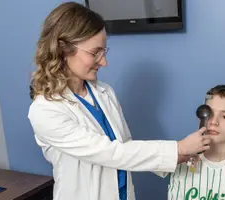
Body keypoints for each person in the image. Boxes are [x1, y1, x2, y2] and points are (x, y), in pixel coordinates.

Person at [27, 2, 212, 200]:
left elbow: (125, 145)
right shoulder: (45, 110)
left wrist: (177, 158)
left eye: (104, 52)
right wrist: (178, 148)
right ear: (64, 48)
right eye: (94, 52)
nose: (104, 62)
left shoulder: (104, 92)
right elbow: (111, 153)